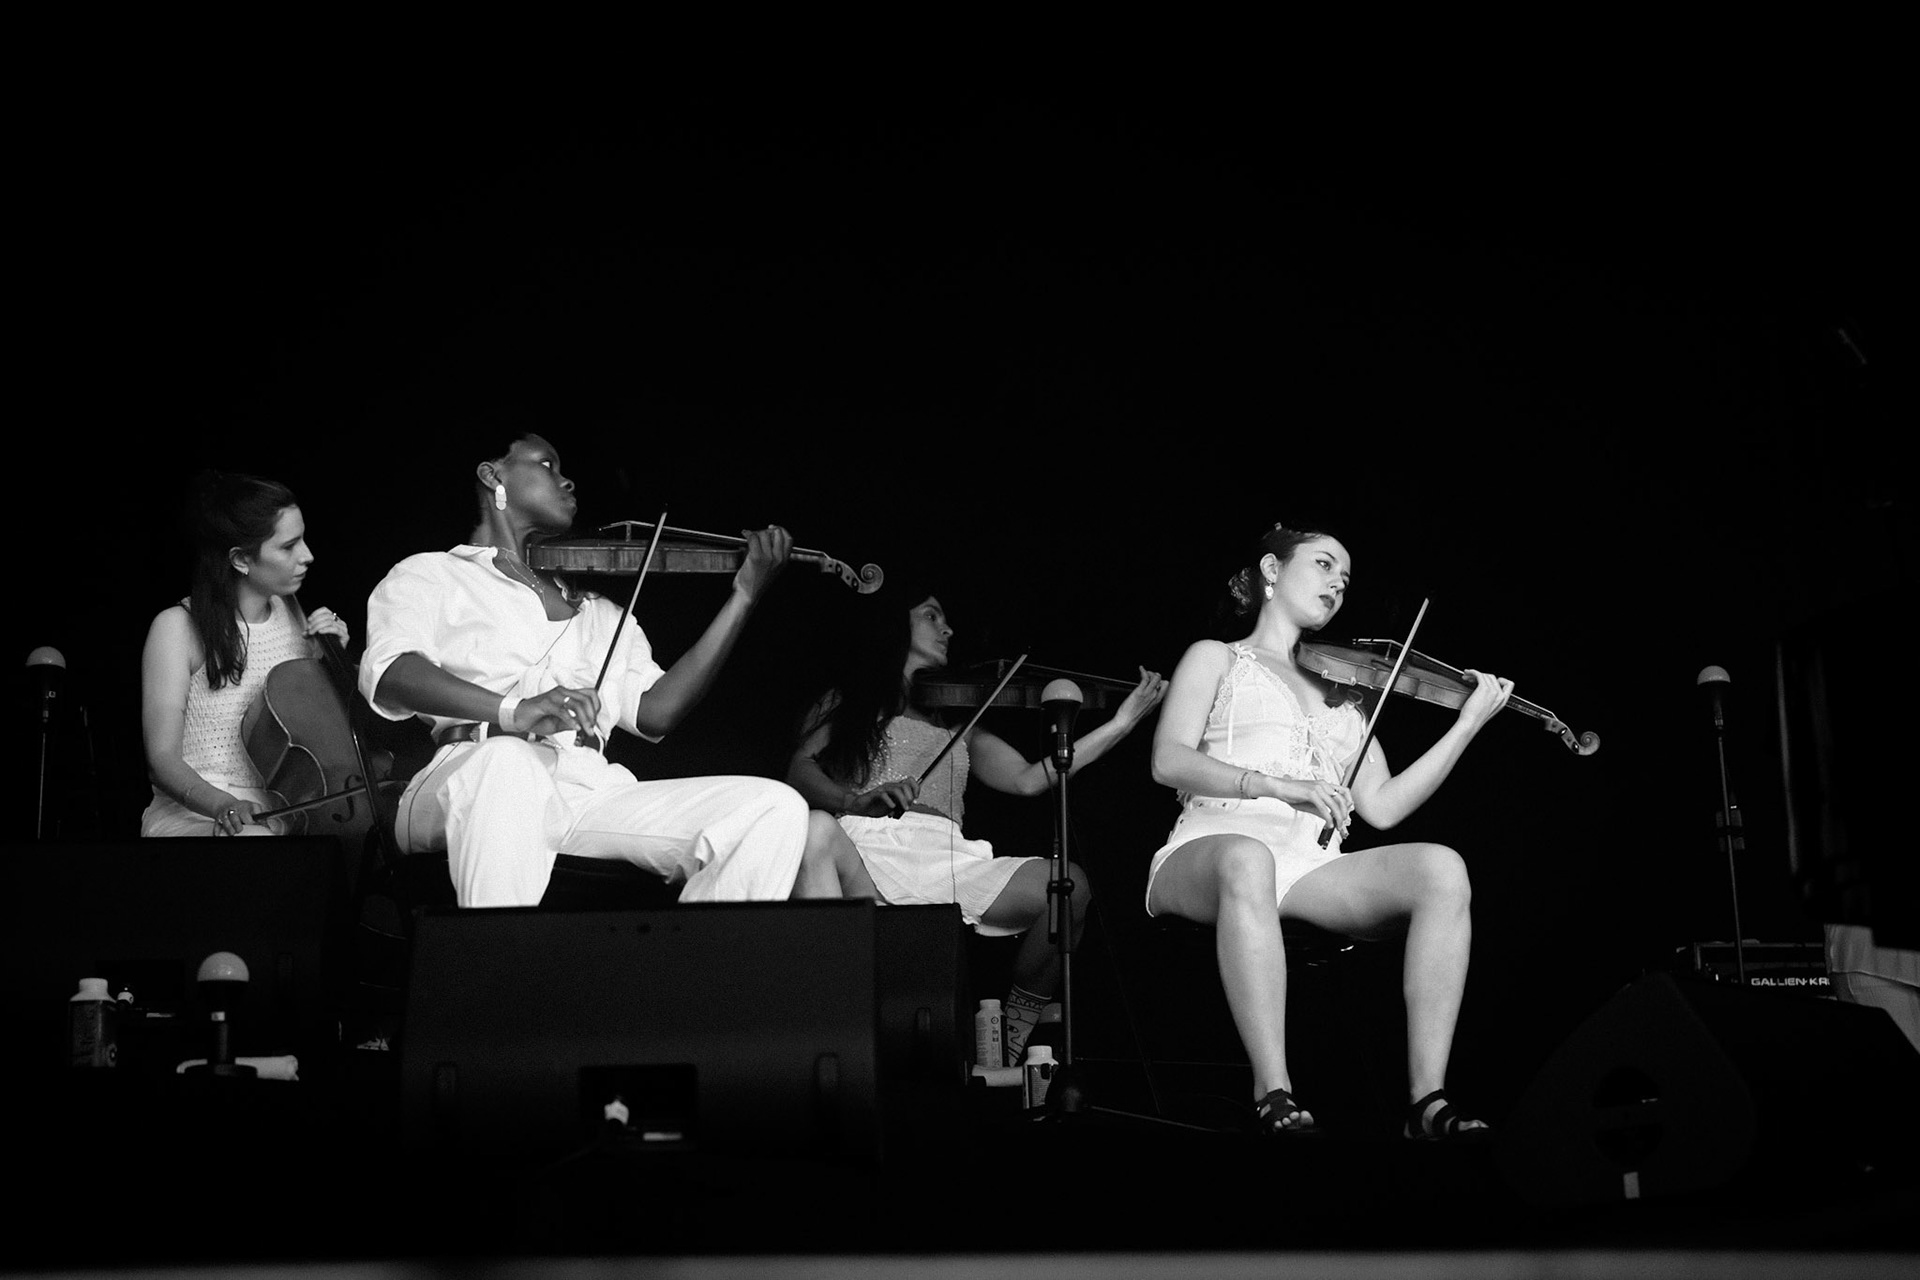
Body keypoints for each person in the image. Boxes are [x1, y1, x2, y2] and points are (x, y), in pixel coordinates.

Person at [357, 429, 876, 908]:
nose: (567, 479)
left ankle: (692, 998)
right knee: (508, 765)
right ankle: (506, 994)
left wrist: (744, 596)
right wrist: (515, 711)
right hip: (470, 775)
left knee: (772, 808)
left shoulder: (599, 611)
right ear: (492, 476)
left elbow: (657, 713)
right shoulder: (433, 574)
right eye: (546, 464)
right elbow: (392, 672)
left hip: (588, 791)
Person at [1146, 521, 1513, 1140]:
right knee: (1246, 859)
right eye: (1322, 564)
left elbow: (1385, 807)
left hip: (1306, 864)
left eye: (1345, 577)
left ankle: (1427, 1101)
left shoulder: (1345, 694)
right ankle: (1272, 1088)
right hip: (1213, 844)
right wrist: (1278, 786)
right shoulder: (1217, 657)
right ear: (1270, 571)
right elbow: (1167, 760)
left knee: (1441, 868)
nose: (1337, 583)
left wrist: (1467, 725)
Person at [785, 583, 1166, 1066]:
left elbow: (1032, 779)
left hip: (946, 854)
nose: (948, 628)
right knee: (816, 826)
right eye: (930, 616)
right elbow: (800, 769)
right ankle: (835, 1020)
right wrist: (855, 801)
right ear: (894, 626)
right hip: (868, 847)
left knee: (1066, 888)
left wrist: (1122, 723)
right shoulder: (849, 702)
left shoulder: (959, 723)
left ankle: (1011, 1033)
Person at [140, 471, 352, 837]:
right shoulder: (176, 627)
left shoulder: (293, 613)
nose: (308, 555)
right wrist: (223, 804)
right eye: (289, 546)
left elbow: (315, 739)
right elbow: (162, 760)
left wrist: (331, 662)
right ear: (240, 560)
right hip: (199, 812)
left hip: (285, 809)